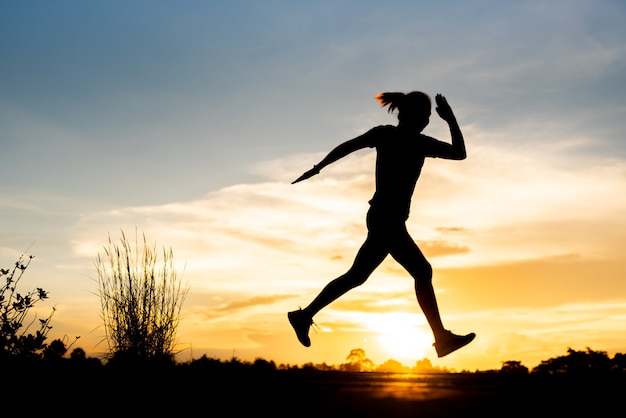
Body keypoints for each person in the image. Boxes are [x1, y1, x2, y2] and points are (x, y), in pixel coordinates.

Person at [288, 91, 475, 358]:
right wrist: (451, 118)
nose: (429, 120)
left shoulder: (404, 139)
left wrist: (319, 167)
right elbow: (459, 153)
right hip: (386, 219)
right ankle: (441, 338)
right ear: (414, 117)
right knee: (422, 271)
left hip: (385, 218)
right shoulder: (399, 138)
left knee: (357, 276)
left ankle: (304, 315)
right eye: (428, 115)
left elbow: (459, 154)